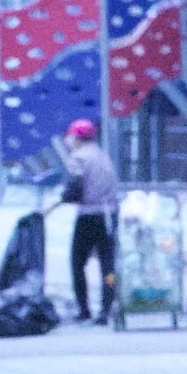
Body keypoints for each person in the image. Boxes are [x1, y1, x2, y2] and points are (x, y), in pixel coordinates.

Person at [58, 119, 119, 324]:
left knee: (77, 263)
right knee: (108, 265)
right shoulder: (103, 156)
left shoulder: (78, 158)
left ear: (76, 137)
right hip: (109, 215)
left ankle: (84, 309)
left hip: (88, 216)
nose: (67, 140)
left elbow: (75, 188)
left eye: (70, 136)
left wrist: (65, 197)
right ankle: (106, 309)